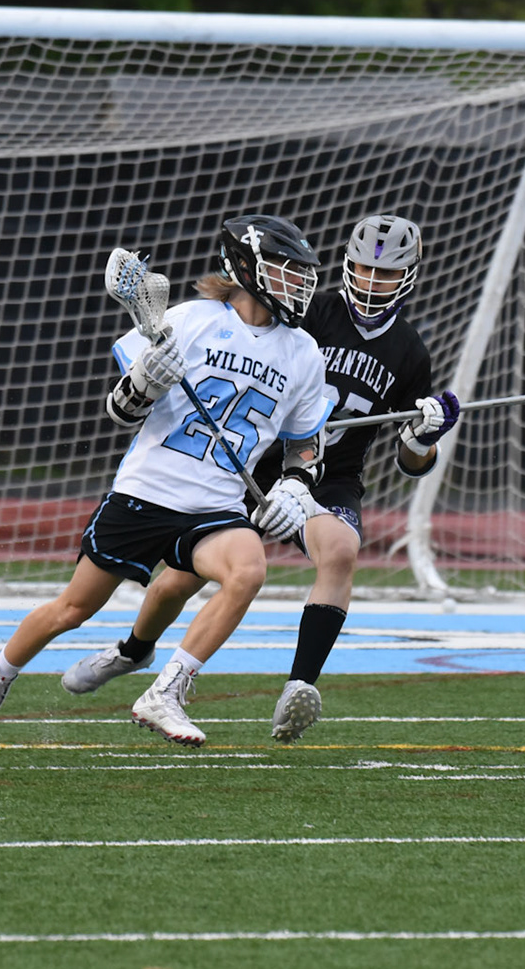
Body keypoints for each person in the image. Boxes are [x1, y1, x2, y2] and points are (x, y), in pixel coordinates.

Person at [61, 213, 459, 743]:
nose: (370, 281)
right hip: (252, 460)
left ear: (408, 277)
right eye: (363, 268)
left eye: (384, 273)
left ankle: (300, 685)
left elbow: (410, 463)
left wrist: (424, 437)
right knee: (179, 580)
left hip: (328, 477)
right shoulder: (308, 308)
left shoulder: (410, 352)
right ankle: (133, 651)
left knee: (341, 551)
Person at [0, 213, 332, 761]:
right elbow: (120, 411)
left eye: (301, 272)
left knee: (248, 570)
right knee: (72, 609)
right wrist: (145, 382)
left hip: (216, 504)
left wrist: (295, 487)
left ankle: (166, 691)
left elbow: (305, 443)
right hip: (147, 492)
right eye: (285, 268)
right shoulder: (190, 320)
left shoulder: (304, 353)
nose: (298, 283)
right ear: (245, 267)